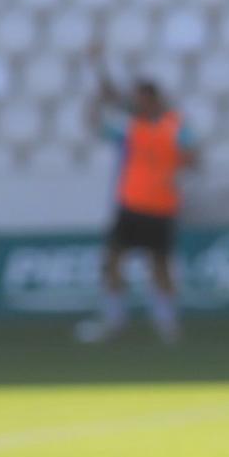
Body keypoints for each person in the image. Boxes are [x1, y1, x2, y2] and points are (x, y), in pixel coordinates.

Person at [79, 43, 198, 344]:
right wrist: (97, 83)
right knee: (113, 261)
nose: (141, 104)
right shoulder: (131, 128)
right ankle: (115, 319)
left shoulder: (174, 126)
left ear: (156, 100)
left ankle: (167, 323)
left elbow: (193, 156)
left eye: (145, 100)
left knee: (160, 266)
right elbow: (99, 120)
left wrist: (180, 168)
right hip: (131, 204)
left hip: (161, 206)